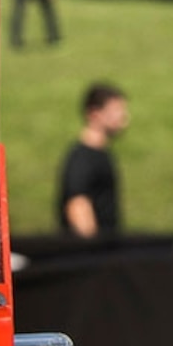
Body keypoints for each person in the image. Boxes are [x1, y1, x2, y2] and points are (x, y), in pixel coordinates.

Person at [59, 82, 128, 239]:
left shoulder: (101, 154)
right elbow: (78, 205)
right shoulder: (82, 159)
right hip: (92, 254)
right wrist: (93, 251)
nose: (123, 116)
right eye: (117, 110)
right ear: (94, 114)